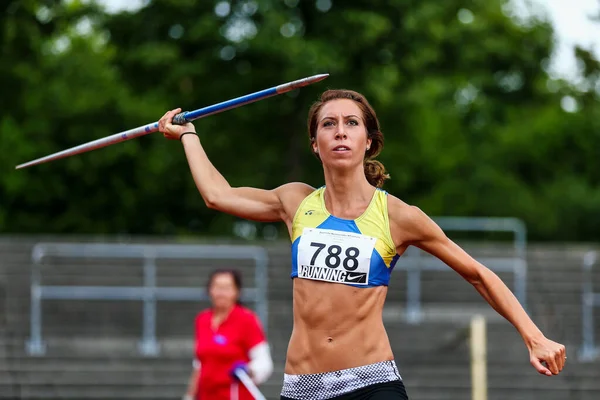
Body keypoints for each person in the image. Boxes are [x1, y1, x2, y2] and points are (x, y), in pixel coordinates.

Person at [162, 89, 566, 400]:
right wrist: (189, 135)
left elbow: (478, 274)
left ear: (369, 141)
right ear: (315, 143)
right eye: (329, 124)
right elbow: (218, 194)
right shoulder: (295, 201)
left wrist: (533, 335)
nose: (340, 130)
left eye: (352, 123)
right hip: (301, 386)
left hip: (371, 383)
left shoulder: (398, 216)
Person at [182, 268, 273, 400]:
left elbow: (264, 362)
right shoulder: (202, 320)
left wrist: (248, 369)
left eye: (227, 288)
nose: (221, 293)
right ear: (209, 290)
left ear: (237, 291)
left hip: (235, 395)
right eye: (217, 287)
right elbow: (199, 364)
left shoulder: (246, 319)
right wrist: (189, 395)